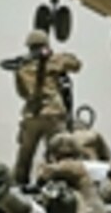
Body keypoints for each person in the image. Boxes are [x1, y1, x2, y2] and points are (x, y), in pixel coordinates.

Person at [12, 30, 82, 185]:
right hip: (53, 114)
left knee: (24, 156)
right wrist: (56, 58)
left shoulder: (23, 67)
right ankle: (57, 184)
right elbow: (76, 65)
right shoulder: (55, 61)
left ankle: (18, 187)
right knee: (60, 152)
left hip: (32, 115)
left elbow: (22, 93)